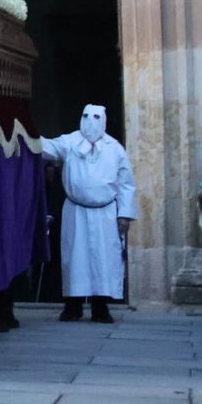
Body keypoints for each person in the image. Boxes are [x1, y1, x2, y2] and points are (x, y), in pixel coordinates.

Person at [41, 104, 137, 324]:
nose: (90, 121)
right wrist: (24, 134)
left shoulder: (115, 148)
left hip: (106, 213)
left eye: (96, 117)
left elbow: (126, 184)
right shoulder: (71, 142)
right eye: (86, 116)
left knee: (104, 259)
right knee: (75, 257)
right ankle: (72, 306)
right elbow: (47, 147)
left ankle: (100, 306)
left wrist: (125, 214)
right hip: (76, 210)